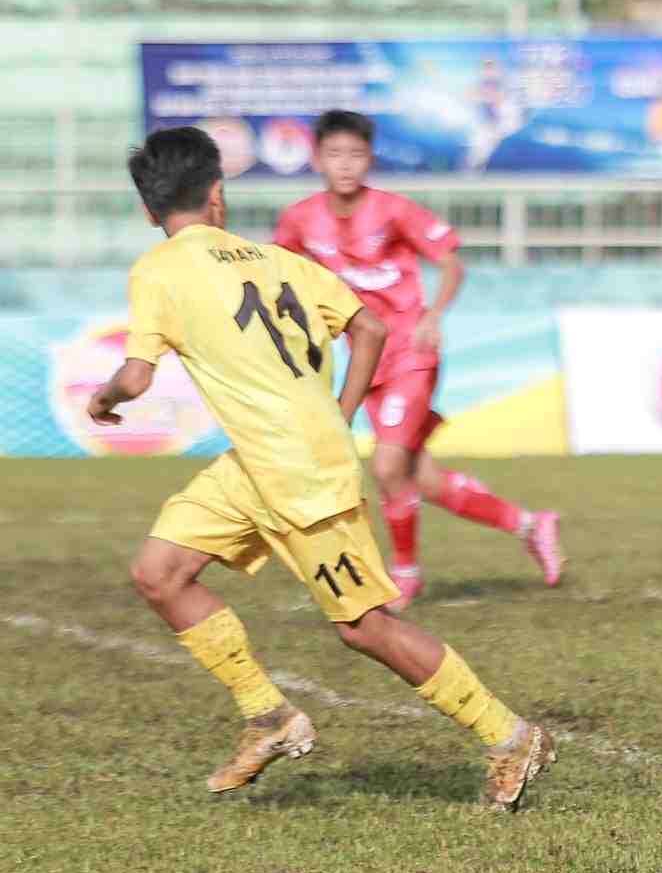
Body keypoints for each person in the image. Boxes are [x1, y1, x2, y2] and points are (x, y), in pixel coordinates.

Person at [89, 127, 556, 809]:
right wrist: (337, 412)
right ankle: (270, 716)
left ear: (147, 210)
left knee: (365, 627)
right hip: (257, 462)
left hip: (300, 474)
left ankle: (508, 734)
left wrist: (104, 399)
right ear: (218, 195)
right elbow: (368, 326)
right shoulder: (281, 260)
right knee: (157, 573)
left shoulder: (157, 268)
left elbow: (134, 378)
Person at [274, 110, 561, 610]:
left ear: (369, 160)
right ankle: (532, 526)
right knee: (419, 479)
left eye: (356, 155)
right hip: (367, 361)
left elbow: (451, 262)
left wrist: (434, 316)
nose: (346, 165)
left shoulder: (394, 210)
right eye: (335, 154)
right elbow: (283, 274)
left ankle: (406, 574)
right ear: (317, 159)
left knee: (386, 466)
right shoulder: (300, 219)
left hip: (411, 349)